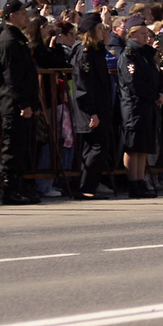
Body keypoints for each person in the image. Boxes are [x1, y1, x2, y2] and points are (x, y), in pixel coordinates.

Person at [0, 1, 42, 204]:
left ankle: (19, 187)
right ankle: (8, 190)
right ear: (11, 15)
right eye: (22, 13)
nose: (26, 17)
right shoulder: (9, 40)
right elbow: (11, 77)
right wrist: (23, 104)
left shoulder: (17, 38)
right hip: (14, 104)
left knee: (21, 148)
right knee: (12, 148)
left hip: (23, 102)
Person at [68, 15, 118, 198]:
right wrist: (92, 112)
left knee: (97, 146)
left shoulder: (96, 51)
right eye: (99, 29)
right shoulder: (85, 52)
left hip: (100, 106)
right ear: (90, 32)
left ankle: (87, 186)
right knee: (97, 146)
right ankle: (85, 187)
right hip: (90, 108)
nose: (103, 32)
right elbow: (83, 85)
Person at [118, 22, 163, 197]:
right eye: (143, 33)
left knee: (143, 146)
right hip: (134, 105)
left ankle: (140, 180)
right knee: (133, 146)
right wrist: (154, 95)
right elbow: (134, 82)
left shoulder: (146, 54)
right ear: (132, 35)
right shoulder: (129, 55)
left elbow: (157, 77)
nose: (147, 37)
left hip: (147, 105)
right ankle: (133, 183)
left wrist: (161, 92)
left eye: (147, 33)